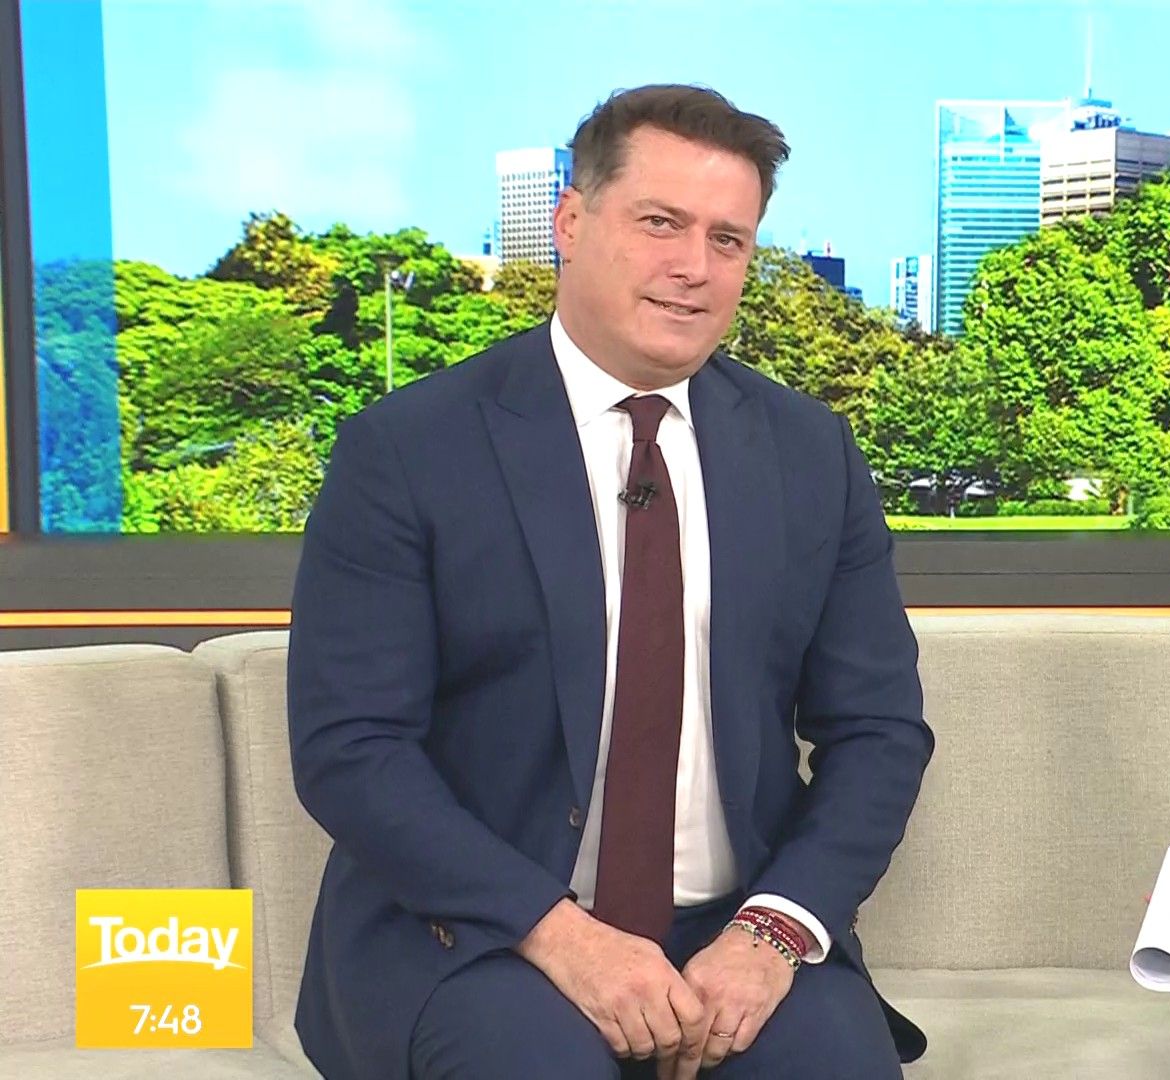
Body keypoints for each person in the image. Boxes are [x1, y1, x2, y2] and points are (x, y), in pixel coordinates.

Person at [287, 84, 933, 1080]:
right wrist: (561, 936)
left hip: (737, 933)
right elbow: (351, 748)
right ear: (571, 223)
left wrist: (773, 932)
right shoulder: (408, 449)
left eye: (728, 240)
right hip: (481, 937)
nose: (694, 267)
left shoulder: (812, 453)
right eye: (660, 223)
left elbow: (879, 732)